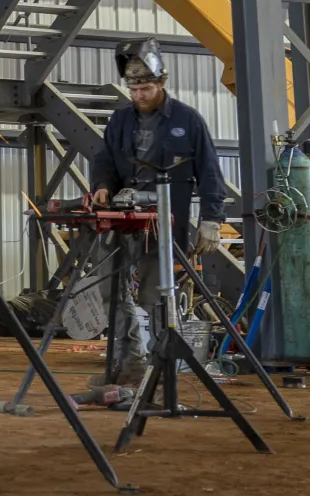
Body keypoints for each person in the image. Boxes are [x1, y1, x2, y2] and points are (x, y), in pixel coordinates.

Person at [87, 37, 227, 387]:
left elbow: (209, 172)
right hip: (120, 221)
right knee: (109, 289)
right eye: (134, 89)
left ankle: (161, 365)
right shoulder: (119, 121)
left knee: (155, 293)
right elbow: (104, 161)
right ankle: (129, 361)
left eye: (146, 87)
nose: (139, 95)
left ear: (162, 81)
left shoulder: (187, 120)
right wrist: (102, 185)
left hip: (163, 224)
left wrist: (211, 219)